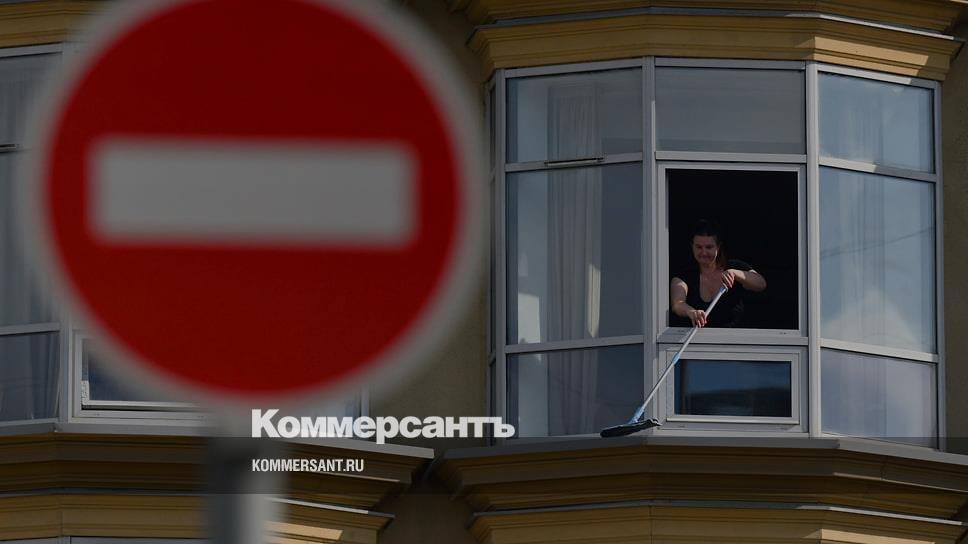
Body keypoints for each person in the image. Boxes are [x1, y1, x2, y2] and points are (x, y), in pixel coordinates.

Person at [671, 220, 766, 328]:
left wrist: (734, 273)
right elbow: (677, 304)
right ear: (692, 246)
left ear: (718, 247)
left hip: (734, 336)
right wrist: (691, 312)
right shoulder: (684, 276)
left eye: (709, 247)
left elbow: (761, 284)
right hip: (698, 337)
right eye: (698, 247)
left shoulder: (734, 266)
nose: (704, 252)